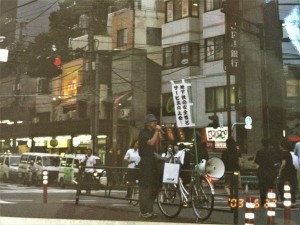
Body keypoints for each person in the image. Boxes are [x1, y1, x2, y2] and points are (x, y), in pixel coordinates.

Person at [138, 113, 163, 218]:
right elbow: (151, 143)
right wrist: (157, 131)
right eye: (153, 121)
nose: (155, 123)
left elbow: (160, 140)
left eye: (156, 121)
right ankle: (143, 211)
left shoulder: (153, 132)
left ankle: (150, 210)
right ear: (148, 123)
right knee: (146, 187)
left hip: (153, 162)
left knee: (154, 187)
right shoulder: (143, 133)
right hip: (146, 162)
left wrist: (158, 132)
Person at [254, 138, 278, 206]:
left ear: (262, 143)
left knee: (262, 186)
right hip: (271, 170)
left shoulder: (259, 151)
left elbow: (257, 161)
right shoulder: (273, 151)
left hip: (262, 170)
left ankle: (263, 201)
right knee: (271, 185)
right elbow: (276, 160)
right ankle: (272, 200)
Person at [277, 139, 297, 206]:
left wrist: (280, 171)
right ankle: (293, 201)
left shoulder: (284, 153)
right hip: (291, 172)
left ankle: (283, 200)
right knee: (291, 186)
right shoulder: (289, 153)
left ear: (282, 146)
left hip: (286, 172)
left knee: (282, 186)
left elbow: (283, 163)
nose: (279, 146)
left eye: (280, 145)